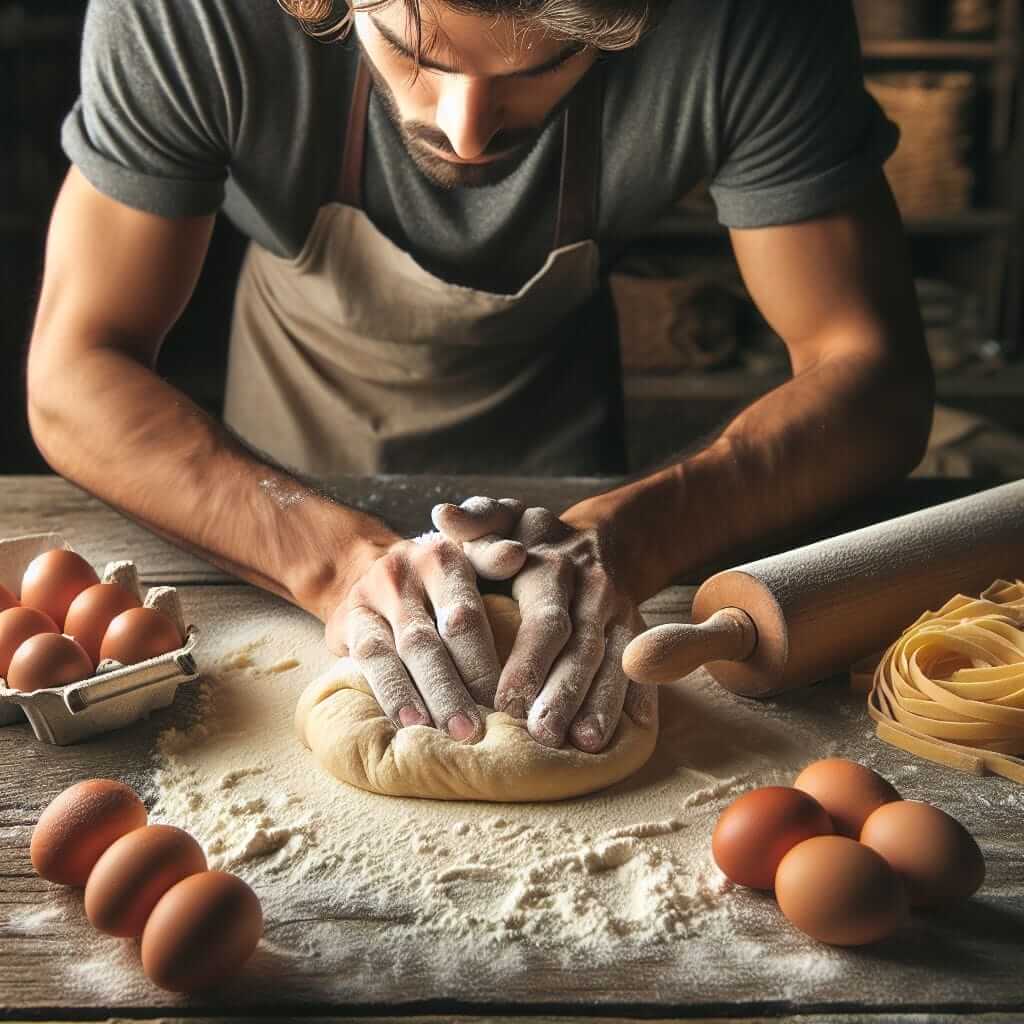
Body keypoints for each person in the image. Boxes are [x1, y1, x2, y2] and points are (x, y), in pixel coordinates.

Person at [25, 0, 934, 757]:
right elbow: (75, 371)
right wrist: (333, 562)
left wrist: (631, 536)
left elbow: (871, 373)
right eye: (411, 51)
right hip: (287, 431)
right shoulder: (190, 12)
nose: (464, 133)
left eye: (543, 66)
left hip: (564, 430)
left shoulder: (751, 20)